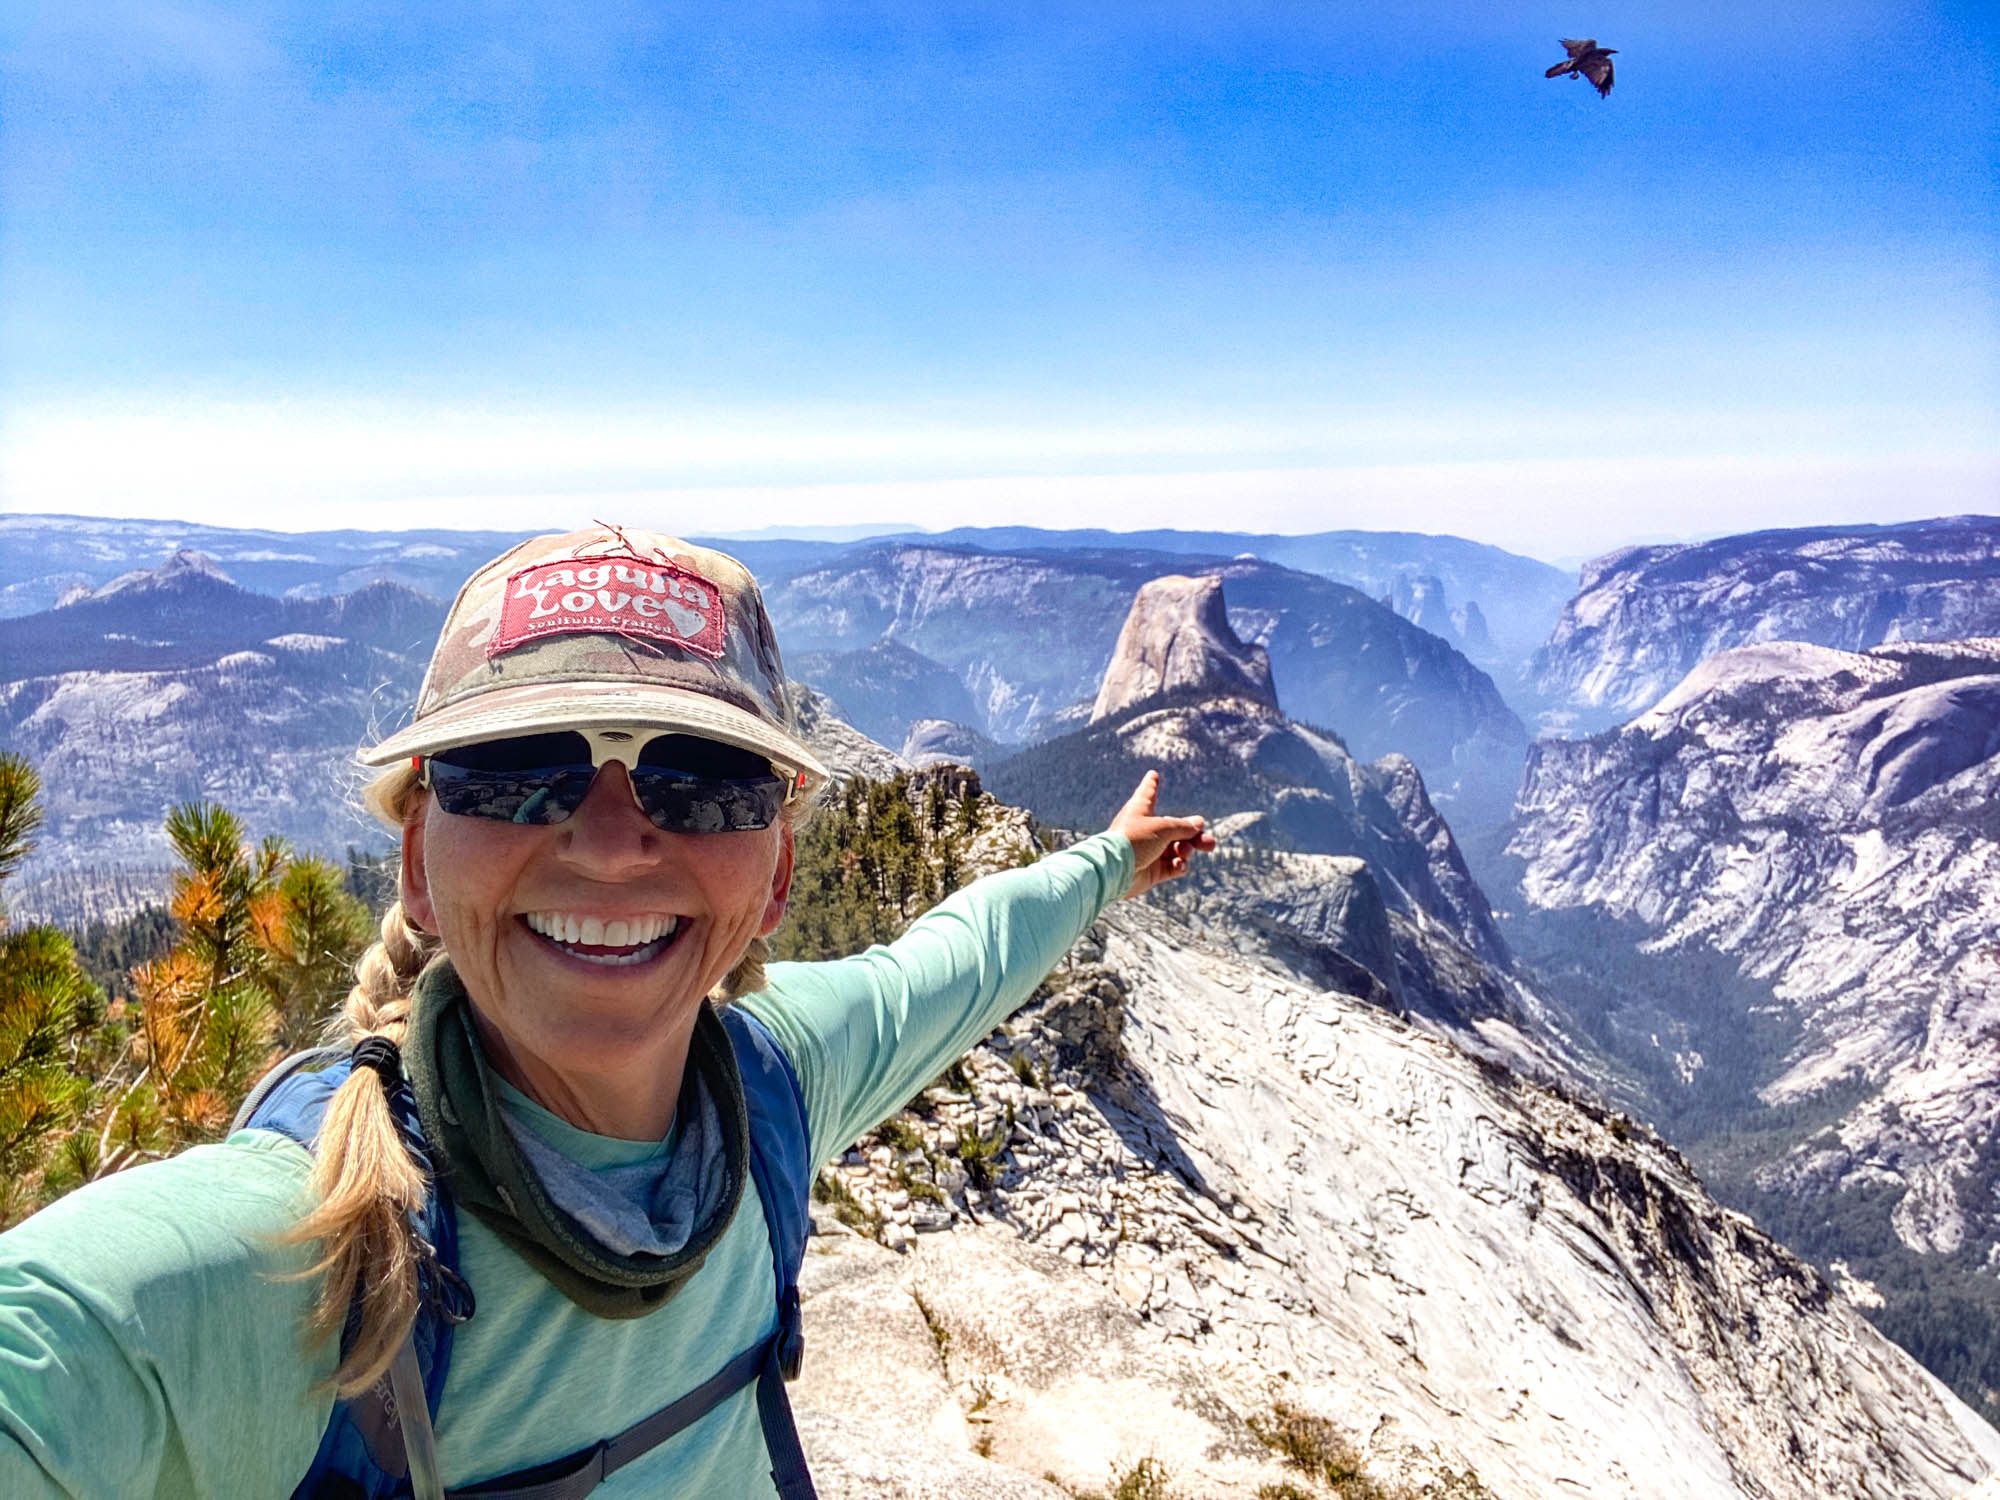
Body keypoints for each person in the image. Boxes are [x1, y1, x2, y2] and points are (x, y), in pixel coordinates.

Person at [0, 525, 1214, 1499]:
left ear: (778, 872)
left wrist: (1107, 859)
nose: (612, 840)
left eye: (702, 777)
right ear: (421, 857)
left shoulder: (776, 1082)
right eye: (521, 767)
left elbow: (961, 957)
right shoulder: (285, 1257)